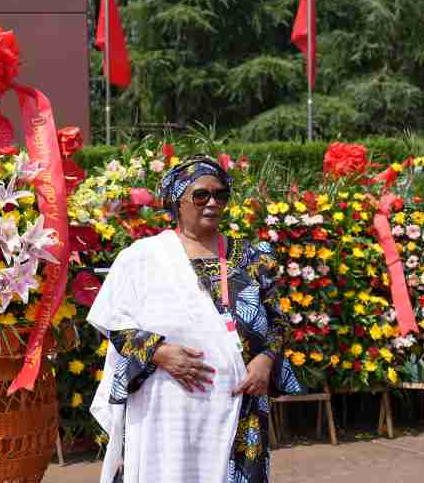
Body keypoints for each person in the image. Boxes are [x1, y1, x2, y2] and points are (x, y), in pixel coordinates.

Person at [88, 155, 302, 483]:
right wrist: (158, 352)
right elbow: (113, 321)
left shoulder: (254, 257)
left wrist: (265, 360)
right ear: (177, 200)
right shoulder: (141, 258)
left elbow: (278, 321)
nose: (212, 202)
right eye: (200, 195)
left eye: (220, 195)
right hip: (166, 411)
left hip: (240, 407)